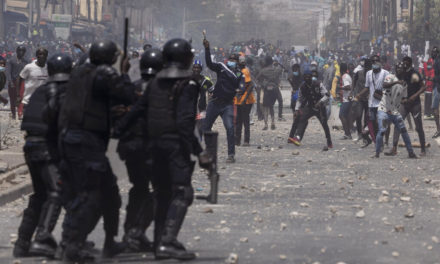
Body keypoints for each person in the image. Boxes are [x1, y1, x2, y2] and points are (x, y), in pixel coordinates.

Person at [113, 38, 201, 260]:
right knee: (181, 192)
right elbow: (184, 122)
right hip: (172, 146)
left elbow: (135, 111)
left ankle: (158, 242)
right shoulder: (187, 84)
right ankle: (166, 240)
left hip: (151, 145)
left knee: (160, 194)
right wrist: (200, 152)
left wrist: (117, 129)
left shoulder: (154, 83)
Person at [58, 41, 132, 262]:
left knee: (109, 194)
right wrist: (125, 72)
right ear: (110, 57)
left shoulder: (80, 72)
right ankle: (71, 244)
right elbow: (127, 95)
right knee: (89, 194)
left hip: (75, 138)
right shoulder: (105, 73)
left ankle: (109, 243)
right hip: (85, 140)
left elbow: (90, 102)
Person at [13, 54, 72, 258]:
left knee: (40, 195)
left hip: (31, 145)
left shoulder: (41, 90)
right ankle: (43, 238)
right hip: (45, 147)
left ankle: (22, 242)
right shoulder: (62, 91)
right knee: (57, 190)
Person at [116, 48, 163, 253]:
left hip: (131, 147)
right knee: (161, 191)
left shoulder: (131, 88)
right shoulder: (162, 90)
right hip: (152, 148)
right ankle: (137, 232)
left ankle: (131, 232)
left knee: (139, 188)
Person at [202, 38, 242, 163]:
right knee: (206, 127)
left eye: (234, 60)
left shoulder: (240, 75)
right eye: (230, 60)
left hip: (227, 105)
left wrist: (238, 91)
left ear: (237, 62)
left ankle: (231, 155)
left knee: (230, 128)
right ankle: (209, 151)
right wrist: (207, 49)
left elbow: (241, 87)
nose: (232, 62)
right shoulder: (221, 67)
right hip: (214, 102)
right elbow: (209, 63)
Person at [387, 56, 426, 156]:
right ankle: (394, 148)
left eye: (406, 62)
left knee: (419, 127)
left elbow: (423, 87)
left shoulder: (415, 73)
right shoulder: (401, 74)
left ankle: (423, 149)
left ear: (410, 63)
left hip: (415, 103)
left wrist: (415, 95)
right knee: (398, 124)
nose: (404, 63)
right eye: (403, 61)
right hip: (404, 104)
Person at [373, 74, 417, 158]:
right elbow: (385, 85)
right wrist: (396, 82)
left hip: (395, 112)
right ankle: (377, 153)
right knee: (382, 130)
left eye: (402, 69)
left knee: (403, 130)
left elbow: (403, 98)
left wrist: (406, 101)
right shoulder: (390, 77)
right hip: (384, 110)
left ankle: (411, 153)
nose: (400, 70)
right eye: (398, 69)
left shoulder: (404, 84)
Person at [289, 70, 332, 150]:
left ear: (311, 77)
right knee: (302, 119)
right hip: (310, 107)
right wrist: (296, 109)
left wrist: (320, 102)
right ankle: (298, 137)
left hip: (320, 108)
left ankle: (329, 141)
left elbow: (327, 95)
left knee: (324, 124)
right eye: (305, 77)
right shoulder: (302, 87)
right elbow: (299, 99)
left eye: (309, 77)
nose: (307, 78)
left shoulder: (318, 84)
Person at [359, 55, 389, 148]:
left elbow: (390, 86)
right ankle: (378, 143)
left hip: (382, 102)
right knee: (374, 124)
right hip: (371, 103)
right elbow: (367, 87)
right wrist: (359, 95)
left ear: (380, 62)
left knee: (383, 124)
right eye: (373, 61)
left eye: (376, 61)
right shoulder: (369, 73)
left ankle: (385, 141)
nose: (375, 63)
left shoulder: (385, 73)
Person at [18, 48, 48, 119]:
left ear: (47, 56)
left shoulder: (48, 68)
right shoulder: (29, 67)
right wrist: (18, 95)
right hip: (28, 102)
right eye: (40, 54)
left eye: (44, 54)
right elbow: (20, 79)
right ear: (37, 55)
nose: (42, 56)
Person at [234, 56, 255, 146]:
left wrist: (245, 98)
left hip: (246, 101)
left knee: (245, 120)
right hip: (238, 100)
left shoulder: (245, 72)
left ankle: (246, 140)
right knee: (238, 121)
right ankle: (237, 140)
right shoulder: (236, 72)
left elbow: (250, 85)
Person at [257, 56, 282, 130]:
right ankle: (273, 121)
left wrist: (262, 84)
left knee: (265, 107)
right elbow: (281, 69)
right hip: (275, 88)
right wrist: (278, 64)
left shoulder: (263, 70)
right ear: (272, 62)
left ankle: (266, 124)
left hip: (266, 89)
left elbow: (258, 78)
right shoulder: (276, 69)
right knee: (272, 106)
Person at [192, 60, 213, 139]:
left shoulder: (206, 80)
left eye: (198, 68)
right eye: (195, 67)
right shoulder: (187, 79)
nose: (196, 69)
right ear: (192, 68)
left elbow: (212, 91)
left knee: (200, 126)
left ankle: (199, 142)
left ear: (201, 69)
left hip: (202, 107)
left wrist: (211, 98)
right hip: (190, 108)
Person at [6, 46, 28, 119]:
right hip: (13, 82)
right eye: (20, 51)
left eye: (23, 51)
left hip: (22, 82)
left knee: (21, 98)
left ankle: (20, 113)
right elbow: (8, 72)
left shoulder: (25, 62)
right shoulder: (11, 61)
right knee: (12, 99)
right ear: (17, 51)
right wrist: (10, 81)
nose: (21, 52)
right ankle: (13, 113)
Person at [352, 58, 372, 142]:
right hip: (359, 98)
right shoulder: (358, 73)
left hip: (369, 99)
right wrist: (353, 92)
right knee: (358, 115)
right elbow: (354, 82)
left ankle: (364, 135)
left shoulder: (372, 75)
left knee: (367, 118)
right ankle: (359, 133)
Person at [338, 63, 353, 139]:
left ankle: (347, 134)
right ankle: (348, 133)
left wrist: (340, 88)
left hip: (346, 100)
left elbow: (348, 87)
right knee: (346, 116)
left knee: (341, 116)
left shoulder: (344, 76)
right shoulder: (347, 76)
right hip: (347, 99)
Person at [432, 47, 440, 138]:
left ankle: (438, 130)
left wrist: (433, 79)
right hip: (437, 86)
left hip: (438, 88)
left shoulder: (437, 61)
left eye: (433, 52)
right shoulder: (436, 61)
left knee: (435, 108)